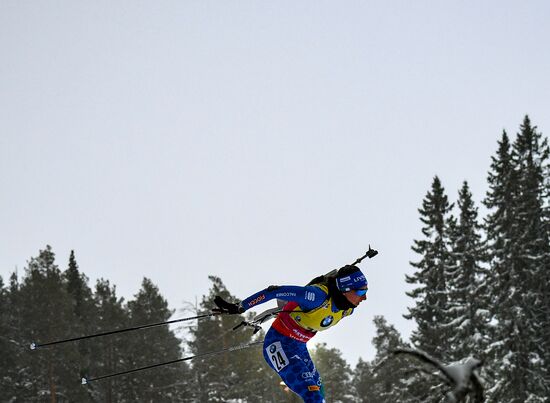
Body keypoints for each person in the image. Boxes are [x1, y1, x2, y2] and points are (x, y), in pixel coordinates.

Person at [213, 264, 369, 403]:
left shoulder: (348, 308)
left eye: (366, 290)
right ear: (345, 289)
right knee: (313, 397)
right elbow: (274, 292)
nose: (365, 297)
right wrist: (240, 307)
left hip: (299, 347)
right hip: (278, 343)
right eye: (361, 291)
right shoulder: (316, 296)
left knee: (319, 391)